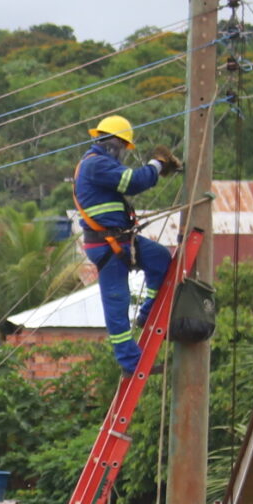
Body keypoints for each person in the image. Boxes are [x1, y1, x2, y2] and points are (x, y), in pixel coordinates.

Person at [72, 114, 182, 374]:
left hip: (119, 241)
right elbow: (132, 182)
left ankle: (147, 313)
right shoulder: (96, 164)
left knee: (159, 259)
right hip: (107, 246)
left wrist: (156, 168)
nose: (122, 153)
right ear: (112, 142)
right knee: (117, 302)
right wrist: (157, 164)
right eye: (122, 146)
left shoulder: (101, 165)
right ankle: (130, 362)